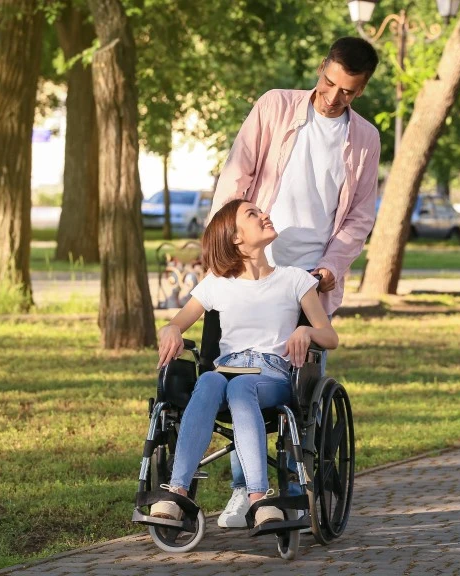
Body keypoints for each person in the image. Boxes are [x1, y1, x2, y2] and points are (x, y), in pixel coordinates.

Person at [208, 36, 380, 527]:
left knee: (297, 394)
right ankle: (245, 489)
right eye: (329, 83)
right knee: (241, 375)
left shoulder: (365, 139)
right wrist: (227, 249)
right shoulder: (275, 107)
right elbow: (236, 177)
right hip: (251, 270)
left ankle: (289, 492)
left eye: (348, 92)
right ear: (322, 67)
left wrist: (330, 269)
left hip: (308, 280)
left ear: (362, 90)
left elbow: (359, 217)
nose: (333, 97)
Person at [149, 198, 338, 528]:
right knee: (208, 380)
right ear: (236, 237)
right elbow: (176, 323)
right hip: (226, 369)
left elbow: (329, 336)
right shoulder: (217, 284)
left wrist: (306, 330)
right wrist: (171, 329)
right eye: (253, 214)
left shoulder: (295, 279)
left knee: (241, 388)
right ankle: (177, 492)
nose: (265, 215)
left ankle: (258, 498)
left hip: (271, 373)